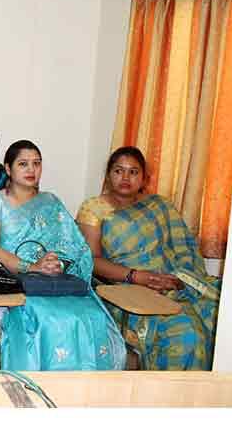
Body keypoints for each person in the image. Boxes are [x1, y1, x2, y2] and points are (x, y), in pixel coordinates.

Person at [0, 140, 126, 371]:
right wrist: (32, 267)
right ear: (8, 168)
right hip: (15, 284)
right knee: (51, 322)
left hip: (56, 283)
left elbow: (74, 247)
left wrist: (58, 264)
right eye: (23, 164)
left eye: (36, 164)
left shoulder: (51, 202)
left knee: (90, 317)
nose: (31, 170)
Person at [76, 146, 221, 370]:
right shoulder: (93, 209)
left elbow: (182, 247)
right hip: (128, 290)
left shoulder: (159, 205)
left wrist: (179, 277)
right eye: (118, 171)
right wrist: (136, 276)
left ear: (144, 178)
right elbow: (92, 260)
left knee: (220, 318)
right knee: (187, 336)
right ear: (108, 175)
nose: (125, 177)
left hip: (176, 283)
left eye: (133, 172)